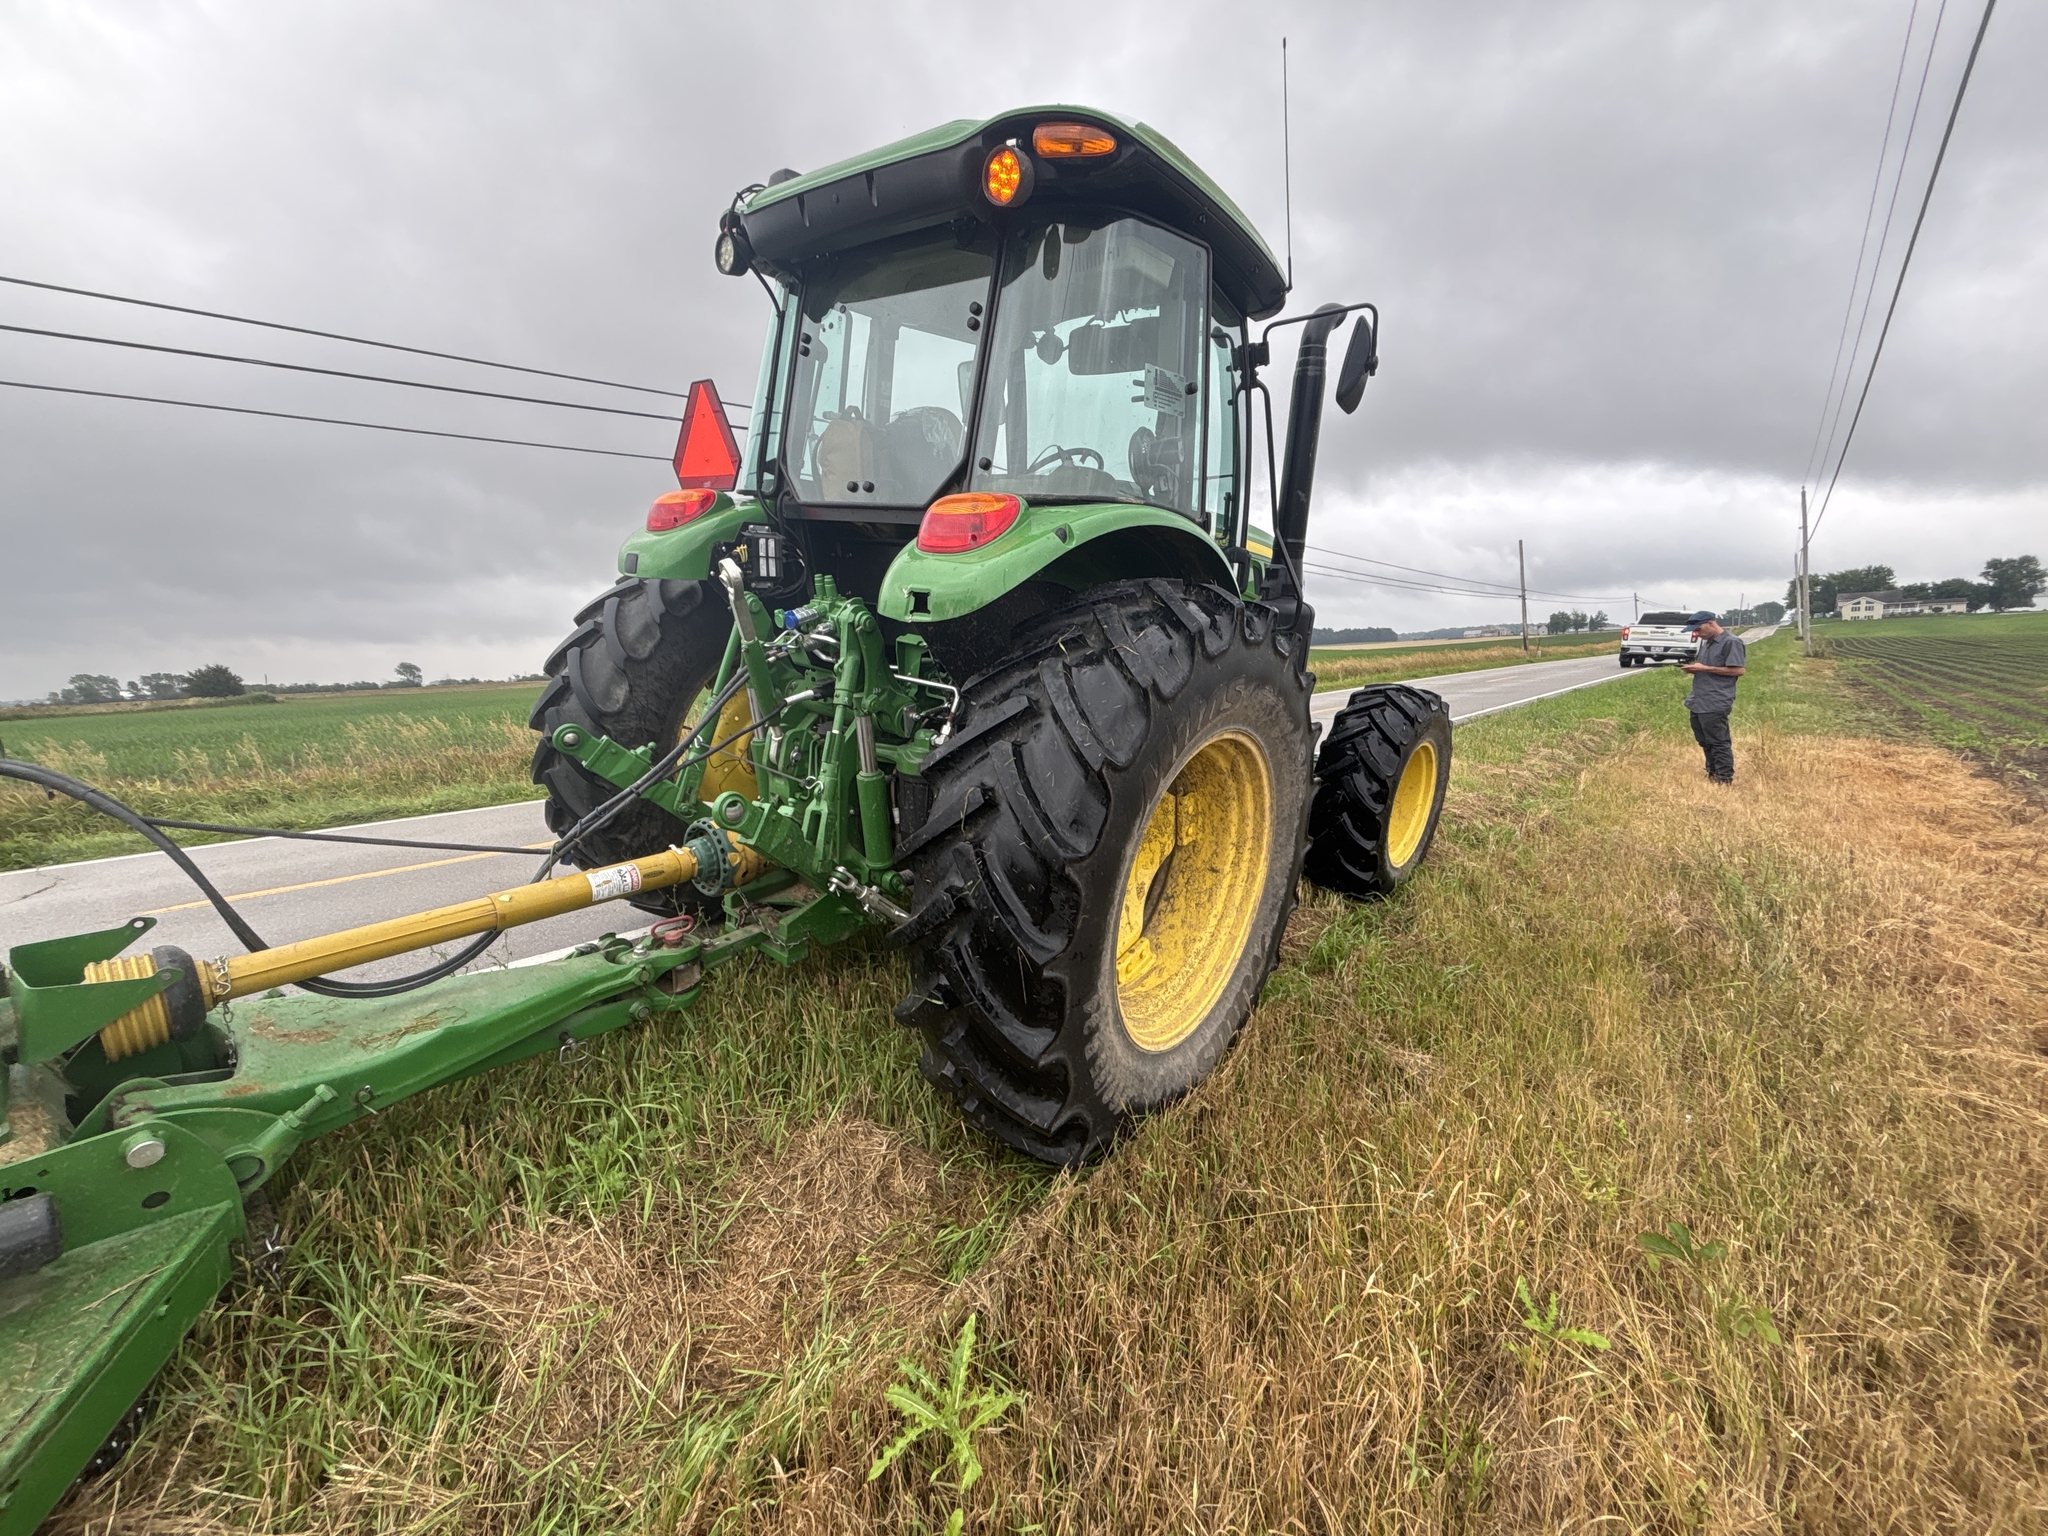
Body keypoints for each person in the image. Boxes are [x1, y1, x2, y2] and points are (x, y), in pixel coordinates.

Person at [1679, 611, 1746, 783]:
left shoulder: (1731, 642)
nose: (1696, 633)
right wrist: (1695, 669)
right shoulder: (1706, 642)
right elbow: (1705, 666)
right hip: (1698, 699)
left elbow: (1738, 670)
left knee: (1718, 742)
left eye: (1698, 629)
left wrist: (1704, 669)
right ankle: (1712, 774)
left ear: (1710, 623)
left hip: (1716, 700)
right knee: (1704, 741)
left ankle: (1724, 779)